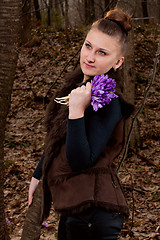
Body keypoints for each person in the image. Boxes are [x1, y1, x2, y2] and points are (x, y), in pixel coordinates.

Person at [28, 8, 134, 240]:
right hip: (77, 210)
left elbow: (80, 160)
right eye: (88, 46)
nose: (90, 57)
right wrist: (39, 174)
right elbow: (59, 137)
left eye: (102, 52)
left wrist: (76, 111)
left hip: (95, 213)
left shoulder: (108, 100)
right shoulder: (78, 88)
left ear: (118, 62)